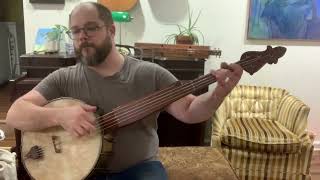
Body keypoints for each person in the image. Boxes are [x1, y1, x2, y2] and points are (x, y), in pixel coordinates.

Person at [6, 2, 243, 180]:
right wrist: (60, 116)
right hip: (78, 170)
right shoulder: (64, 77)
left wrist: (218, 93)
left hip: (139, 168)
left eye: (91, 28)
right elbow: (16, 114)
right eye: (76, 31)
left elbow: (190, 111)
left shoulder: (149, 73)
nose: (82, 37)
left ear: (111, 30)